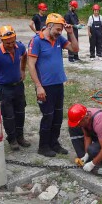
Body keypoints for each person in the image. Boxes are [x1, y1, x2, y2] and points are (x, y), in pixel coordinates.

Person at [28, 13, 79, 157]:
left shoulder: (59, 38)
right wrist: (38, 86)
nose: (59, 32)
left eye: (61, 29)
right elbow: (31, 65)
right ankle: (43, 146)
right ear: (49, 26)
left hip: (58, 84)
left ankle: (54, 143)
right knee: (48, 116)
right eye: (57, 29)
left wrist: (71, 33)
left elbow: (75, 49)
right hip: (44, 87)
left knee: (57, 116)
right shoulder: (36, 41)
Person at [68, 104, 102, 172]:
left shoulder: (99, 122)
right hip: (99, 133)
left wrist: (92, 164)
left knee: (92, 150)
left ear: (86, 118)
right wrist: (86, 155)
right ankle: (95, 156)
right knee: (89, 150)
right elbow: (87, 136)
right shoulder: (83, 116)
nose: (78, 125)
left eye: (79, 123)